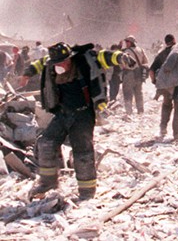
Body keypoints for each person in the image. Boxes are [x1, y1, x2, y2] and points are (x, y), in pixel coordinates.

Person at [23, 42, 133, 201]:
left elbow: (104, 56)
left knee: (82, 152)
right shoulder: (52, 65)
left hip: (83, 115)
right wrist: (27, 73)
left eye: (64, 61)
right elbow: (40, 63)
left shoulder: (84, 61)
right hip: (63, 113)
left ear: (70, 58)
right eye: (58, 63)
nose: (62, 65)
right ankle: (47, 182)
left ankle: (87, 190)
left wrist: (121, 57)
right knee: (46, 143)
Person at [120, 36, 149, 115]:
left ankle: (129, 112)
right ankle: (140, 111)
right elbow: (145, 62)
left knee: (127, 93)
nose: (126, 43)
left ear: (131, 42)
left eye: (127, 42)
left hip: (129, 74)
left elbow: (122, 65)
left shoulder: (125, 51)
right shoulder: (141, 50)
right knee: (138, 93)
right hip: (139, 74)